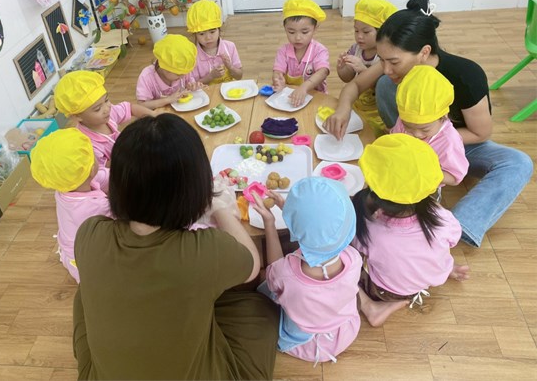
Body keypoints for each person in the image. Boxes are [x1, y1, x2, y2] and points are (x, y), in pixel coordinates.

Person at [73, 114, 280, 380]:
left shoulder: (89, 232)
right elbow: (252, 264)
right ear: (194, 189)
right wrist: (220, 206)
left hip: (100, 375)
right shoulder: (206, 250)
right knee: (260, 310)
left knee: (83, 294)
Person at [324, 0, 533, 247]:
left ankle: (457, 227)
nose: (386, 68)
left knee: (518, 163)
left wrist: (431, 142)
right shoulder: (395, 67)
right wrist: (343, 108)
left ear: (424, 52)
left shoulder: (466, 75)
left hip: (456, 143)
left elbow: (481, 133)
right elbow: (355, 85)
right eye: (382, 60)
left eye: (393, 62)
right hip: (407, 136)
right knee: (387, 84)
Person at [352, 134, 470, 327]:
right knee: (432, 248)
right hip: (427, 280)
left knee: (335, 260)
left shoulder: (371, 230)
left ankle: (369, 306)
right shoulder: (441, 216)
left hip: (386, 291)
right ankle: (446, 268)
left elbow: (355, 246)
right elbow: (452, 238)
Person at [251, 178, 362, 365]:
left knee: (261, 289)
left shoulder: (286, 274)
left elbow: (273, 270)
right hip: (341, 332)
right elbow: (320, 230)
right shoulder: (354, 259)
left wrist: (269, 223)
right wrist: (291, 211)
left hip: (302, 340)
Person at [30, 128, 111, 284]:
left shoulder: (65, 187)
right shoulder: (96, 206)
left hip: (70, 254)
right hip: (89, 267)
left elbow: (103, 177)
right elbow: (123, 223)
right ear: (91, 169)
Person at [55, 70, 154, 168]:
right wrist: (128, 151)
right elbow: (104, 169)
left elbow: (130, 108)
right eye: (97, 109)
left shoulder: (107, 115)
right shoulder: (88, 145)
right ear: (77, 116)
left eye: (106, 100)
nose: (107, 108)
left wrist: (154, 115)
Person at [393, 65, 468, 187]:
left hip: (426, 189)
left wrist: (426, 172)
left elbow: (454, 178)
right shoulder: (404, 121)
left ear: (443, 117)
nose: (416, 134)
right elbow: (395, 141)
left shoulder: (449, 141)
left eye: (425, 129)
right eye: (408, 127)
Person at [337, 0, 398, 136]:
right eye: (356, 31)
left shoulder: (385, 57)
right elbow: (348, 79)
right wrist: (342, 69)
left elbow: (383, 88)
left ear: (383, 33)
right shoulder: (355, 49)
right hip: (357, 103)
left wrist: (364, 70)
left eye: (366, 32)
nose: (359, 36)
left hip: (377, 111)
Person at [272, 0, 330, 107]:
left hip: (317, 97)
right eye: (291, 32)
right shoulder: (283, 51)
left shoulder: (319, 51)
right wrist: (277, 80)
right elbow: (278, 71)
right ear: (285, 28)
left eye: (304, 32)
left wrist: (304, 87)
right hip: (291, 98)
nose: (298, 38)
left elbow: (323, 72)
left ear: (315, 28)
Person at [136, 33, 203, 109]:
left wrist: (191, 87)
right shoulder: (147, 77)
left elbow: (189, 84)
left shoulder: (183, 70)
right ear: (164, 68)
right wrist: (167, 100)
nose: (183, 77)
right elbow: (141, 105)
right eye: (178, 74)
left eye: (185, 73)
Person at [186, 0, 243, 84]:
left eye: (212, 32)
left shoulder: (230, 47)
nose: (208, 38)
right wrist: (211, 76)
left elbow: (239, 76)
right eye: (201, 34)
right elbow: (193, 86)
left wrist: (230, 67)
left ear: (219, 29)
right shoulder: (193, 56)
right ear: (195, 35)